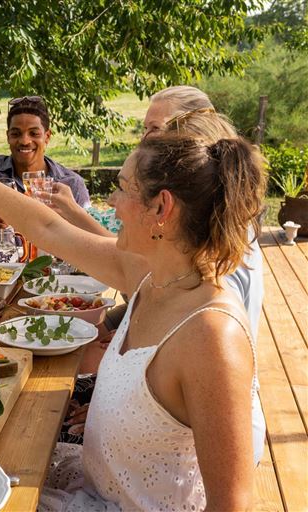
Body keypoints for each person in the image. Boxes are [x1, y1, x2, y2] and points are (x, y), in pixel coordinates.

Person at [0, 127, 265, 510]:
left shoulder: (211, 334)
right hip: (94, 489)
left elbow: (232, 505)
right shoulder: (151, 277)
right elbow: (48, 227)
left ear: (161, 208)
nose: (111, 201)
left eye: (123, 188)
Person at [47, 87, 267, 464]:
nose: (149, 141)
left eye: (158, 131)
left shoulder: (215, 296)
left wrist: (118, 412)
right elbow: (145, 290)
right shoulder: (184, 257)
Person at [0, 95, 90, 248]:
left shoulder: (70, 183)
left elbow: (90, 240)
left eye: (34, 133)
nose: (25, 141)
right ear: (8, 136)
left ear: (47, 137)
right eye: (16, 133)